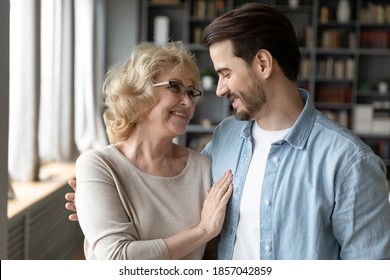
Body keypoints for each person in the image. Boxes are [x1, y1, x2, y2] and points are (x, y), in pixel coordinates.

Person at [67, 3, 390, 260]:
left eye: (224, 73)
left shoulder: (349, 162)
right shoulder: (223, 140)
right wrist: (99, 203)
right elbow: (177, 201)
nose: (218, 90)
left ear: (263, 64)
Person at [70, 41, 233, 260]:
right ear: (139, 92)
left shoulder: (203, 166)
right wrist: (202, 230)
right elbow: (117, 260)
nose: (187, 102)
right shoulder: (99, 165)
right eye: (174, 87)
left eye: (192, 92)